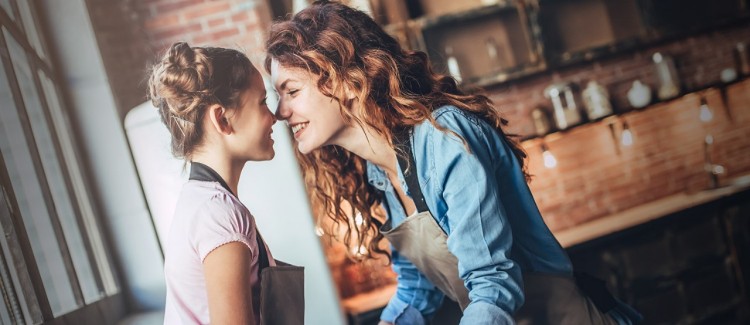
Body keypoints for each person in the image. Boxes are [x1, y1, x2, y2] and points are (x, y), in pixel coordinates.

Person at [266, 1, 641, 324]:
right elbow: (417, 289)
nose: (281, 112)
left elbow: (493, 283)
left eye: (292, 92)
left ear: (347, 81)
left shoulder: (443, 137)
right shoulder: (377, 171)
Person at [149, 42, 302, 325]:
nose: (275, 116)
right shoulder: (219, 213)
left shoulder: (202, 204)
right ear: (222, 119)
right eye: (262, 102)